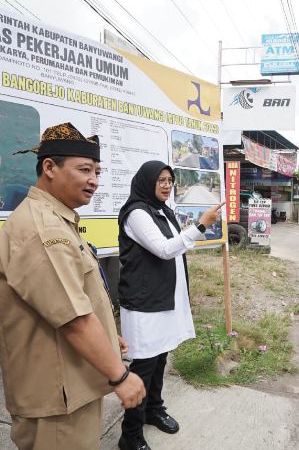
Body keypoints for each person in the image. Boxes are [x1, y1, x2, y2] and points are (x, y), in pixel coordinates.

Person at [0, 122, 146, 450]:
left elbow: (71, 299)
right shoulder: (43, 230)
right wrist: (120, 376)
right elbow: (74, 320)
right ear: (49, 167)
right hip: (57, 399)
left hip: (71, 386)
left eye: (97, 171)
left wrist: (105, 333)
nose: (94, 180)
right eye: (84, 169)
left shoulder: (56, 220)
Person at [117, 160, 223, 450]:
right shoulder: (137, 213)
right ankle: (131, 434)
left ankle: (153, 409)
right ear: (146, 181)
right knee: (144, 366)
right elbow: (165, 250)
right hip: (144, 304)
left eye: (170, 180)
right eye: (161, 180)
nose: (166, 185)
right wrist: (201, 225)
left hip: (164, 298)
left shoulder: (162, 210)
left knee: (161, 358)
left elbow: (176, 245)